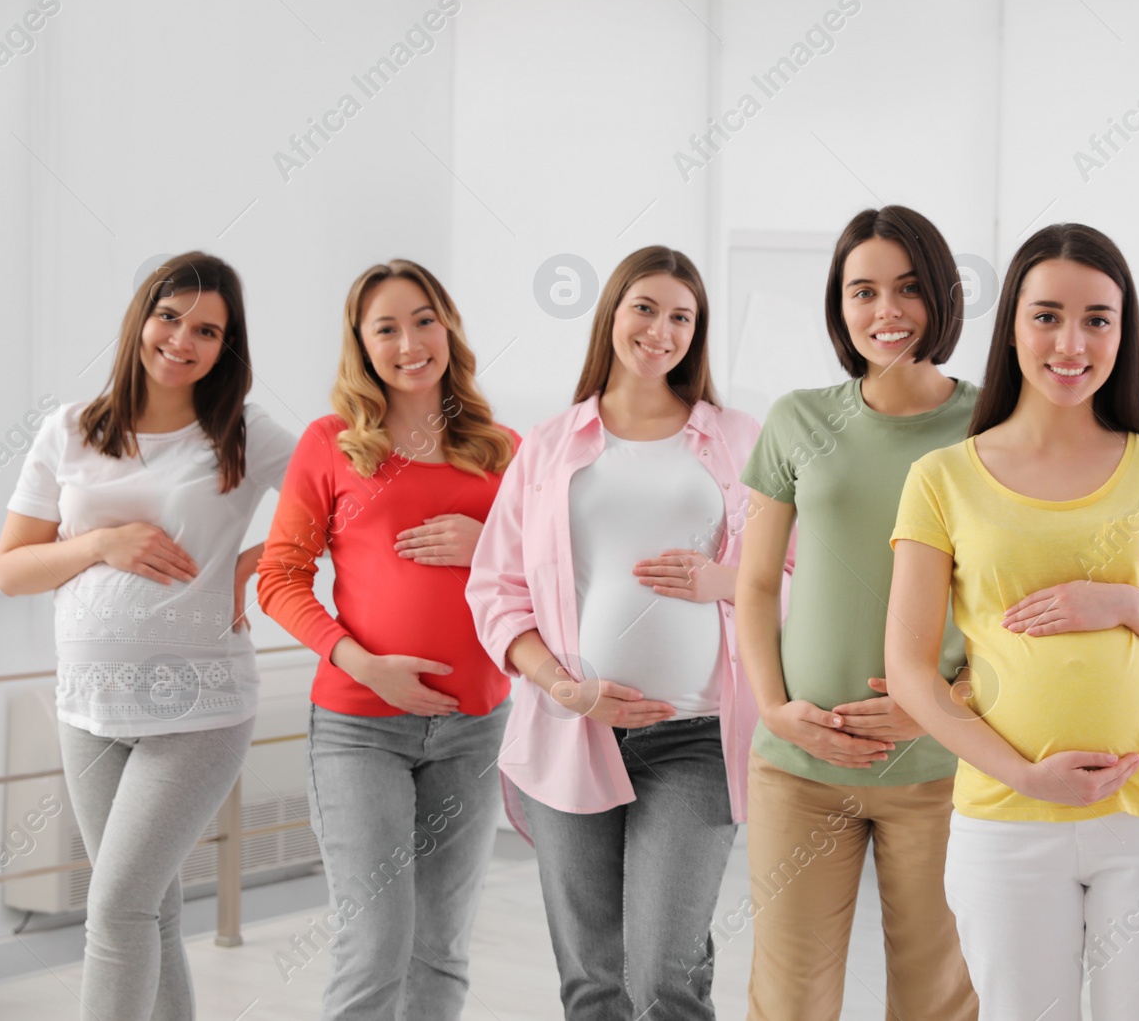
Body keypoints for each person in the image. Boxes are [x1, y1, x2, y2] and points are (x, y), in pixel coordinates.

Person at [886, 223, 1139, 1021]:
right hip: (1007, 819)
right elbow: (911, 670)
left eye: (1098, 318)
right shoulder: (942, 477)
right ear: (1014, 326)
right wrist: (1026, 774)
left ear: (1123, 334)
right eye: (1047, 314)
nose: (1072, 340)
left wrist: (1124, 604)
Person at [466, 245, 766, 1020]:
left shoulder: (736, 438)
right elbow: (495, 588)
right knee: (593, 981)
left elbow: (795, 572)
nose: (660, 330)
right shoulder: (550, 445)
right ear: (612, 316)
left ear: (696, 333)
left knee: (664, 974)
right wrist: (563, 685)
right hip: (571, 727)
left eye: (681, 316)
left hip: (694, 736)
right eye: (645, 308)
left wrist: (720, 581)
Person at [0, 252, 295, 1020]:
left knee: (118, 908)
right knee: (148, 910)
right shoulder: (70, 428)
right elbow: (14, 569)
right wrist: (100, 543)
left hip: (199, 707)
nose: (181, 339)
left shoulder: (242, 432)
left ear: (226, 346)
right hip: (89, 708)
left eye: (207, 329)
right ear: (141, 318)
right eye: (169, 316)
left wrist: (262, 566)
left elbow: (349, 508)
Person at [256, 260, 518, 1020]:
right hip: (359, 729)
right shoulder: (331, 443)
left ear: (448, 327)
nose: (410, 341)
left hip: (474, 727)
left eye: (424, 319)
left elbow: (555, 573)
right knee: (375, 944)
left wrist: (490, 540)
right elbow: (280, 577)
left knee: (440, 950)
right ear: (362, 345)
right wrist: (363, 663)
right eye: (387, 328)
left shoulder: (502, 449)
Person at [735, 205, 979, 1020]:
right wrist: (775, 708)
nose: (887, 311)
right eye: (862, 291)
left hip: (940, 769)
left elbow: (1009, 606)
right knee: (788, 1001)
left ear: (942, 295)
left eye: (909, 288)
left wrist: (942, 712)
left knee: (937, 998)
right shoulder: (796, 420)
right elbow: (759, 583)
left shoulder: (992, 427)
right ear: (839, 307)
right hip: (799, 768)